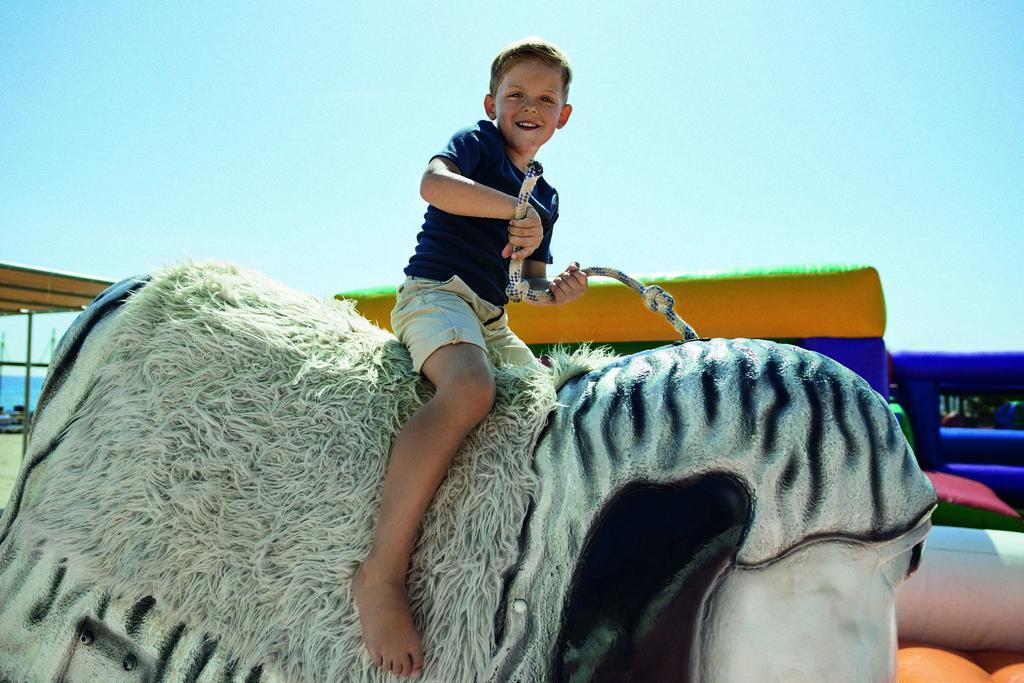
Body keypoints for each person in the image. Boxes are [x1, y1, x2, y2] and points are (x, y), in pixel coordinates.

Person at [351, 37, 587, 678]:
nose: (529, 106)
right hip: (437, 295)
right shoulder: (477, 145)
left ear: (563, 115)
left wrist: (554, 292)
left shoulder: (548, 197)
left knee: (553, 405)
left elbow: (522, 287)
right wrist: (513, 207)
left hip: (489, 312)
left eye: (545, 98)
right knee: (471, 390)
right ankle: (380, 574)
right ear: (492, 103)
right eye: (516, 94)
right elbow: (433, 186)